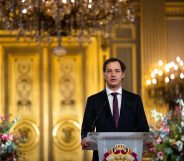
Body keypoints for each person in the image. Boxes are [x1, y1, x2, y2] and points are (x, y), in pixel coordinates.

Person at [81, 57, 149, 161]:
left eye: (117, 71)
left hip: (130, 155)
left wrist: (145, 140)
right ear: (104, 75)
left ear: (123, 75)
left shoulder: (135, 100)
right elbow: (86, 128)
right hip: (102, 156)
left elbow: (143, 128)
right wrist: (85, 138)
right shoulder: (93, 100)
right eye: (109, 71)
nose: (113, 75)